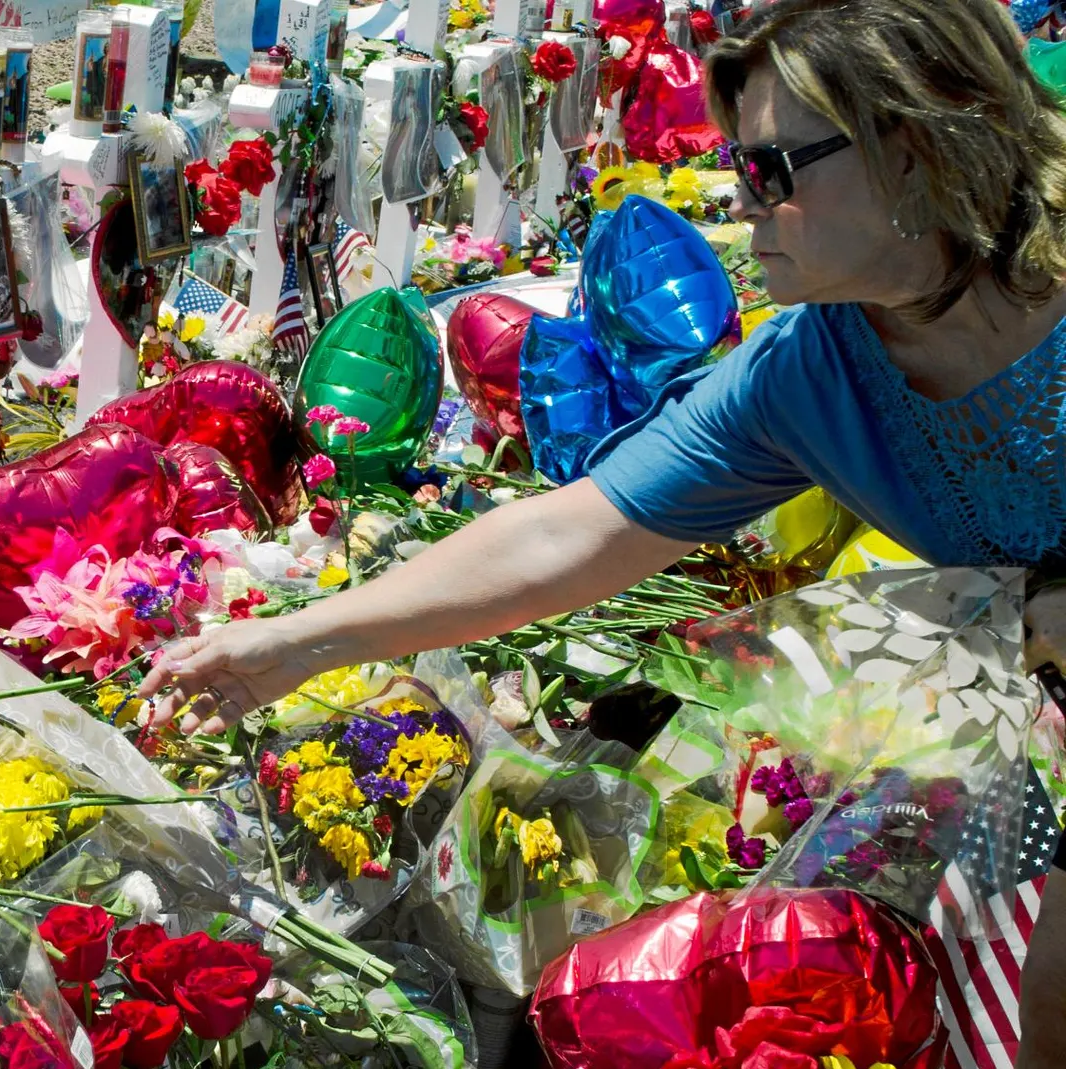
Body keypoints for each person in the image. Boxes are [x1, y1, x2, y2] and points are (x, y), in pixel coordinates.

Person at [138, 1, 1066, 1064]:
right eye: (732, 165)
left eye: (769, 170)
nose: (736, 198)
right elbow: (576, 532)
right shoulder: (817, 370)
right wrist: (295, 641)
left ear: (908, 147)